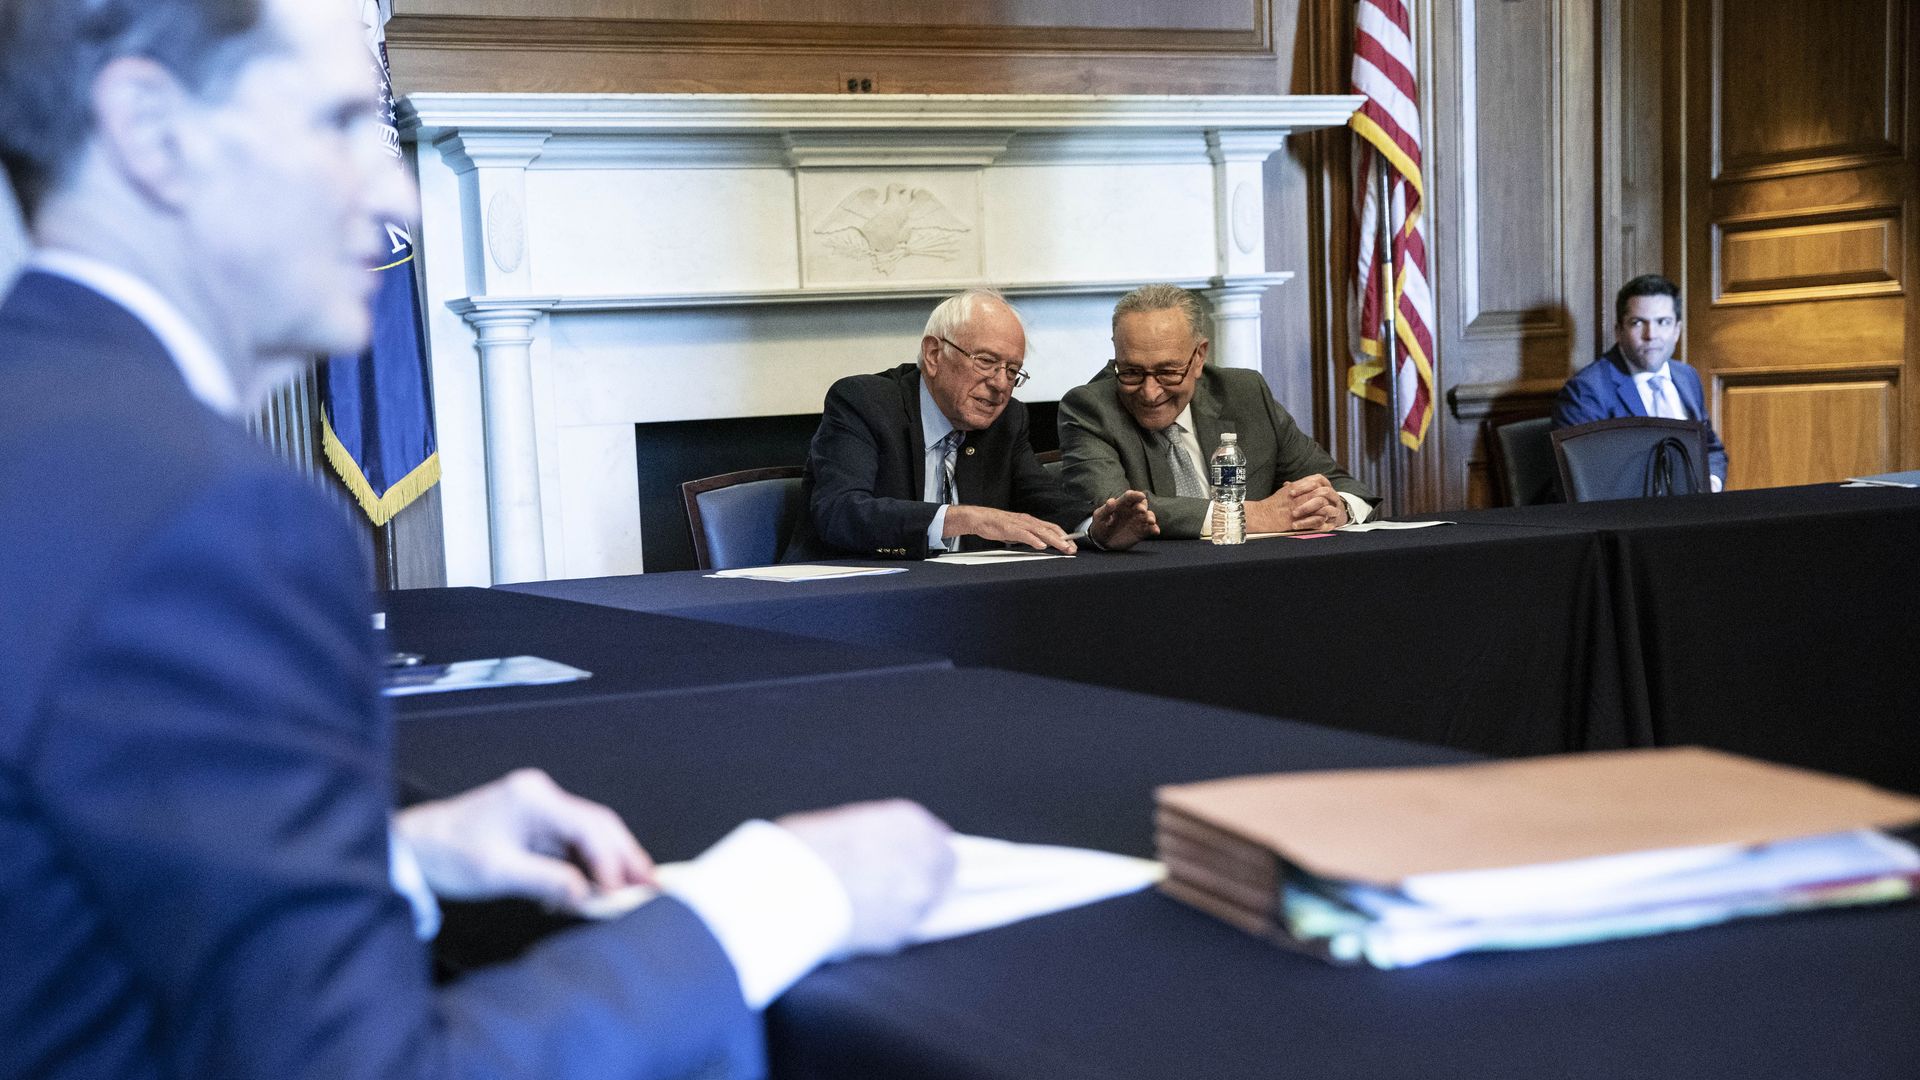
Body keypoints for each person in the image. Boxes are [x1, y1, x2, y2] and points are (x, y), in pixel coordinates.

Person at [0, 3, 952, 1078]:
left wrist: (394, 859)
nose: (396, 195)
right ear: (151, 129)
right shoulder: (205, 514)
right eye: (337, 123)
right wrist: (778, 902)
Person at [786, 288, 1160, 559]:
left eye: (1012, 370)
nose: (1000, 384)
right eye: (986, 362)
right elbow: (840, 512)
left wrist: (1096, 527)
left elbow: (1043, 501)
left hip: (959, 598)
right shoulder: (865, 402)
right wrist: (964, 518)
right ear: (934, 354)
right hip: (843, 595)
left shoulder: (1007, 419)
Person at [1058, 284, 1378, 538]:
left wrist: (1337, 509)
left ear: (1199, 357)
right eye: (1131, 372)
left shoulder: (1245, 393)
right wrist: (1255, 515)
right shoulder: (1090, 408)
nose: (1150, 391)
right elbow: (1115, 512)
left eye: (1168, 372)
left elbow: (1346, 487)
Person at [1552, 273, 1728, 490]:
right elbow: (1585, 481)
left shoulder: (1687, 377)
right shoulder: (1586, 391)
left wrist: (1709, 486)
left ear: (1677, 330)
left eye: (1663, 322)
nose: (1651, 334)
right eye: (1637, 323)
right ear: (1619, 331)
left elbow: (1711, 449)